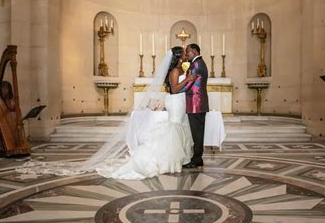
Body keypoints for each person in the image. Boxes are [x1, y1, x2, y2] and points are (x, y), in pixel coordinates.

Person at [18, 48, 195, 180]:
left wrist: (187, 78)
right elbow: (174, 88)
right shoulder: (174, 71)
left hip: (179, 102)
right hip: (175, 101)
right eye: (184, 54)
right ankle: (164, 160)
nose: (187, 56)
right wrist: (187, 80)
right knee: (173, 128)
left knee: (175, 129)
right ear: (178, 57)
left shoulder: (180, 70)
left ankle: (174, 159)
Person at [183, 43, 209, 169]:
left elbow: (189, 83)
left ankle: (197, 158)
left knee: (197, 133)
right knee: (198, 132)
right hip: (198, 103)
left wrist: (176, 89)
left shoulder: (196, 64)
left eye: (187, 51)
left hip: (195, 103)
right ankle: (197, 157)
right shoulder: (199, 63)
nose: (186, 54)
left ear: (194, 51)